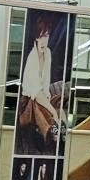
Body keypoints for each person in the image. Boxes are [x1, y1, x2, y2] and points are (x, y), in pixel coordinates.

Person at [15, 13, 63, 155]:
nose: (43, 41)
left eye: (46, 36)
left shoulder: (47, 53)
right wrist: (52, 110)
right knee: (49, 111)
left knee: (56, 103)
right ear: (35, 38)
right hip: (28, 102)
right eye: (40, 36)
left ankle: (53, 134)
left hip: (40, 96)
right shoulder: (32, 58)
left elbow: (46, 80)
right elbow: (35, 92)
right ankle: (52, 135)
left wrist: (47, 95)